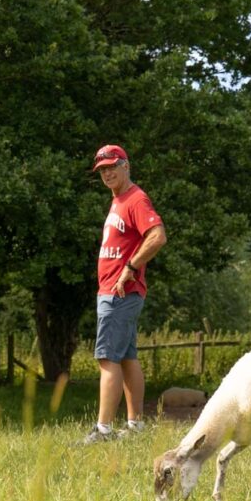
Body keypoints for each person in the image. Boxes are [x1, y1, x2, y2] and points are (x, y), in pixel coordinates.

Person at [81, 144, 166, 445]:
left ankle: (103, 430)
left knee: (108, 357)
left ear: (126, 165)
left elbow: (157, 236)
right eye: (102, 170)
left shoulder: (135, 199)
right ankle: (136, 425)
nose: (107, 173)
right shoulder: (118, 201)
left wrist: (131, 266)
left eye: (112, 166)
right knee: (128, 357)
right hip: (115, 291)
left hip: (119, 292)